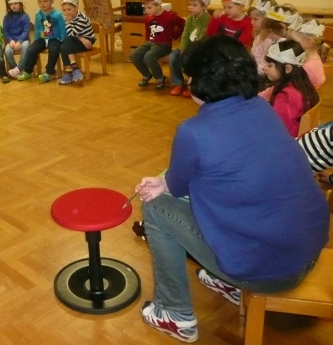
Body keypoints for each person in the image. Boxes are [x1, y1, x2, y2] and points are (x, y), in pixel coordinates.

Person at [135, 35, 329, 343]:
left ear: (200, 82)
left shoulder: (193, 131)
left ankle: (174, 312)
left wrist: (162, 184)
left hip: (271, 272)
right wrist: (166, 182)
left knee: (155, 209)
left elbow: (178, 186)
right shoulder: (262, 108)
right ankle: (228, 282)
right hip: (310, 248)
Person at [129, 0, 185, 90]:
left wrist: (175, 36)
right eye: (145, 8)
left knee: (148, 57)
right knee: (134, 55)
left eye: (149, 8)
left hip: (164, 45)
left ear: (158, 5)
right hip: (150, 42)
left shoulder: (169, 17)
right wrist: (147, 41)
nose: (146, 11)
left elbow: (183, 23)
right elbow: (147, 31)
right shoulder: (149, 18)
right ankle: (147, 74)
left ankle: (160, 78)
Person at [263, 39, 319, 138]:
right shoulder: (299, 83)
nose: (264, 68)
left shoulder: (287, 97)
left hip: (287, 142)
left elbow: (277, 129)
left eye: (270, 65)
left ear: (288, 69)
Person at [13, 0, 67, 83]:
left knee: (54, 50)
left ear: (52, 1)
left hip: (55, 39)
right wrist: (36, 40)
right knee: (32, 49)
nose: (43, 4)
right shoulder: (38, 14)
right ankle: (28, 71)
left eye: (45, 1)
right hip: (43, 38)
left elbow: (63, 29)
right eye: (40, 2)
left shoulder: (57, 14)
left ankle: (49, 73)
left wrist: (64, 40)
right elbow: (37, 28)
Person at [169, 0, 211, 97]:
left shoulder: (207, 19)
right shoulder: (189, 19)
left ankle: (192, 85)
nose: (190, 7)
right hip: (188, 47)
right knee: (173, 57)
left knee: (191, 61)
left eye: (194, 5)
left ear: (203, 7)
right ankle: (178, 83)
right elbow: (185, 35)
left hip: (200, 49)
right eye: (189, 4)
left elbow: (203, 37)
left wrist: (189, 51)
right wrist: (182, 48)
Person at [57, 0, 94, 85]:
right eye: (64, 10)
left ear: (76, 8)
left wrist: (69, 23)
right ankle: (71, 71)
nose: (66, 12)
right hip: (78, 40)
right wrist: (81, 38)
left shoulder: (81, 18)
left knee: (67, 41)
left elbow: (72, 34)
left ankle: (73, 69)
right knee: (63, 46)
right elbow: (71, 34)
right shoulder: (68, 18)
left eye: (69, 9)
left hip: (88, 41)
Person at [249, 0, 285, 81]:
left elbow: (266, 63)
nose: (252, 22)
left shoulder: (273, 38)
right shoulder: (258, 33)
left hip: (263, 75)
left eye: (255, 19)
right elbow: (254, 54)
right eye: (251, 18)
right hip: (254, 70)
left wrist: (251, 70)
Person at [287, 16, 326, 89]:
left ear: (308, 42)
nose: (287, 44)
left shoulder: (306, 69)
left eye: (292, 41)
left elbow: (290, 89)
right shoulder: (307, 58)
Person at [2, 0, 31, 74]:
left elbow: (26, 31)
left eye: (15, 3)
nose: (13, 6)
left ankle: (20, 67)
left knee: (25, 47)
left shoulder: (25, 16)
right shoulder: (7, 17)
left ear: (20, 4)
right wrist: (11, 40)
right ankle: (15, 68)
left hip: (23, 40)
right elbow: (6, 31)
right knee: (7, 51)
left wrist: (19, 41)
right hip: (12, 41)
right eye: (11, 4)